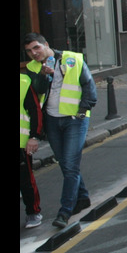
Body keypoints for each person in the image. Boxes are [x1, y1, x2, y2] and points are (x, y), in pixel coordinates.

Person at [23, 33, 98, 229]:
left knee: (71, 165)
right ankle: (82, 197)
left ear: (46, 44)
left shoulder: (72, 58)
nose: (34, 53)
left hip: (75, 120)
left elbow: (89, 86)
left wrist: (83, 111)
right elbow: (37, 91)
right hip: (52, 121)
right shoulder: (32, 68)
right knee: (65, 163)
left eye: (36, 48)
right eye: (29, 51)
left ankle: (65, 211)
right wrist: (44, 75)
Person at [20, 73, 44, 228]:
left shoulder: (23, 82)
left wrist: (34, 136)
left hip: (20, 143)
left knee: (25, 181)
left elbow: (35, 110)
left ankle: (33, 212)